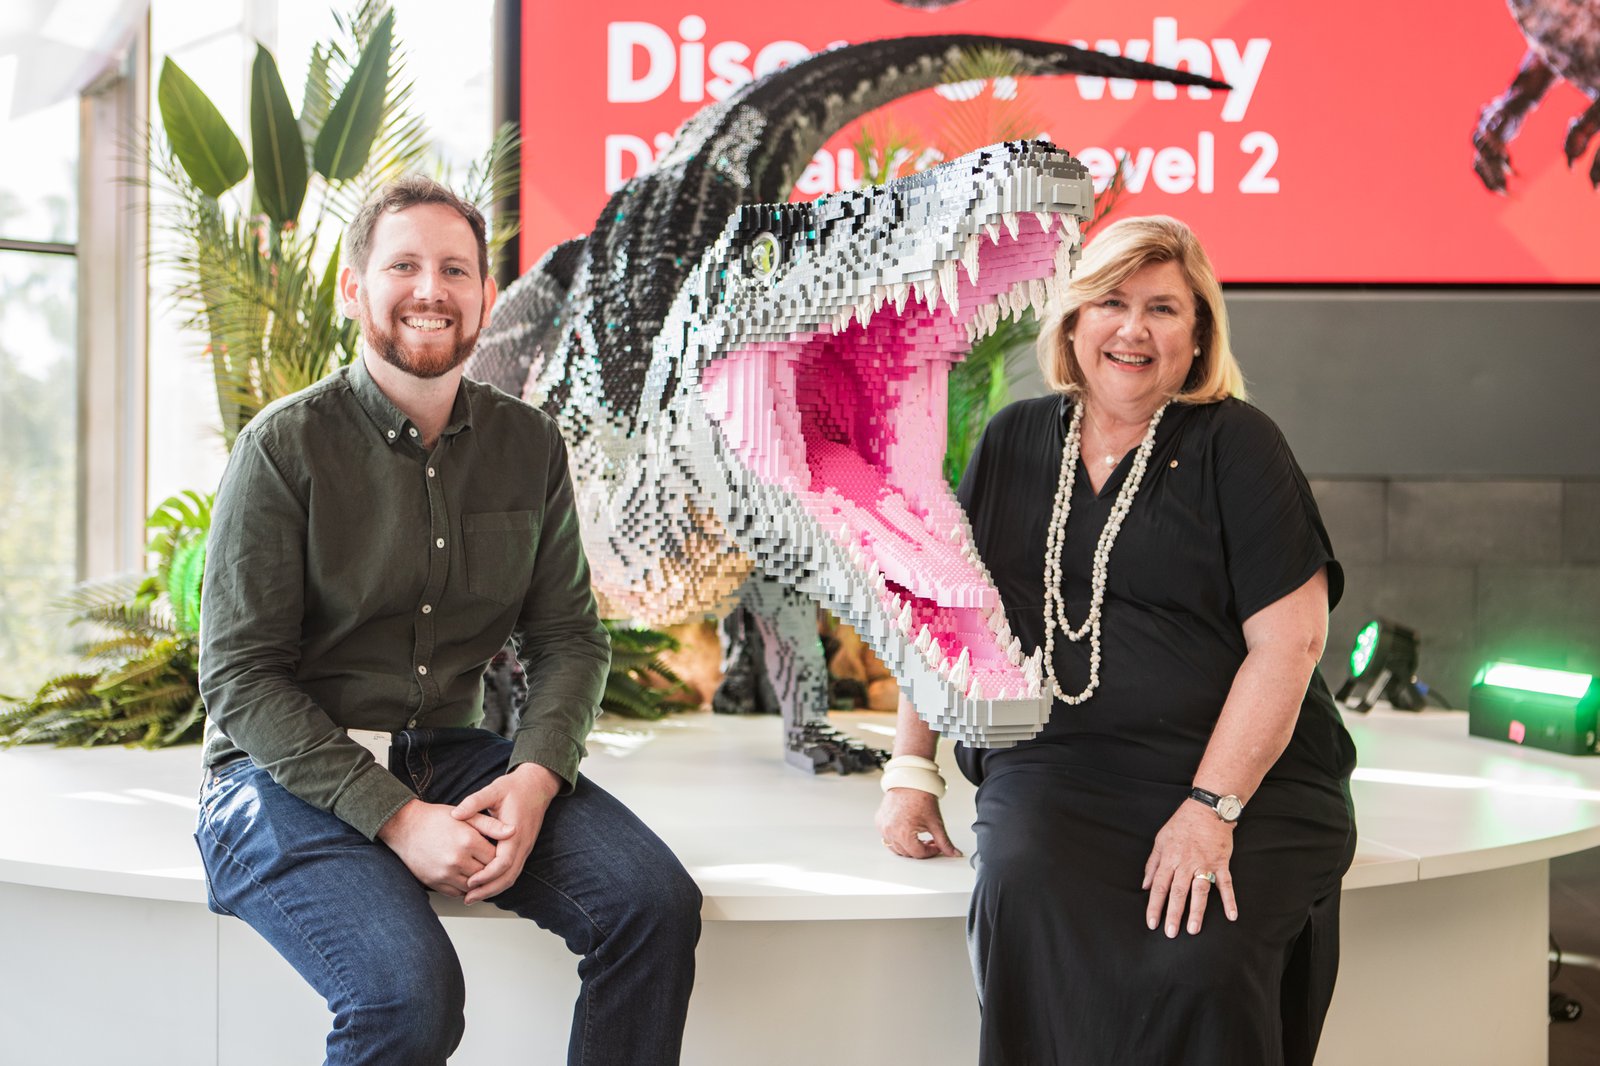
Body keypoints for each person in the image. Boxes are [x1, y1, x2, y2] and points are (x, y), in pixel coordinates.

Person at [195, 175, 701, 1066]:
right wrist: (397, 818)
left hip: (451, 752)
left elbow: (569, 638)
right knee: (410, 996)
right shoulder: (282, 446)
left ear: (483, 299)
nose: (431, 290)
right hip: (277, 779)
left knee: (652, 906)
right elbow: (240, 678)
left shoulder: (528, 444)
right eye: (404, 265)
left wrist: (539, 774)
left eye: (455, 270)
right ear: (356, 289)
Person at [876, 215, 1357, 1065]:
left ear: (1199, 331)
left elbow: (1292, 644)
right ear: (1072, 320)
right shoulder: (1016, 440)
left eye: (1164, 308)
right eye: (1111, 302)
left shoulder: (1237, 444)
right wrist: (912, 771)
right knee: (1023, 898)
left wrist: (1211, 811)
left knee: (1205, 962)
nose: (1133, 329)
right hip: (1061, 764)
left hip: (1240, 777)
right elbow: (948, 615)